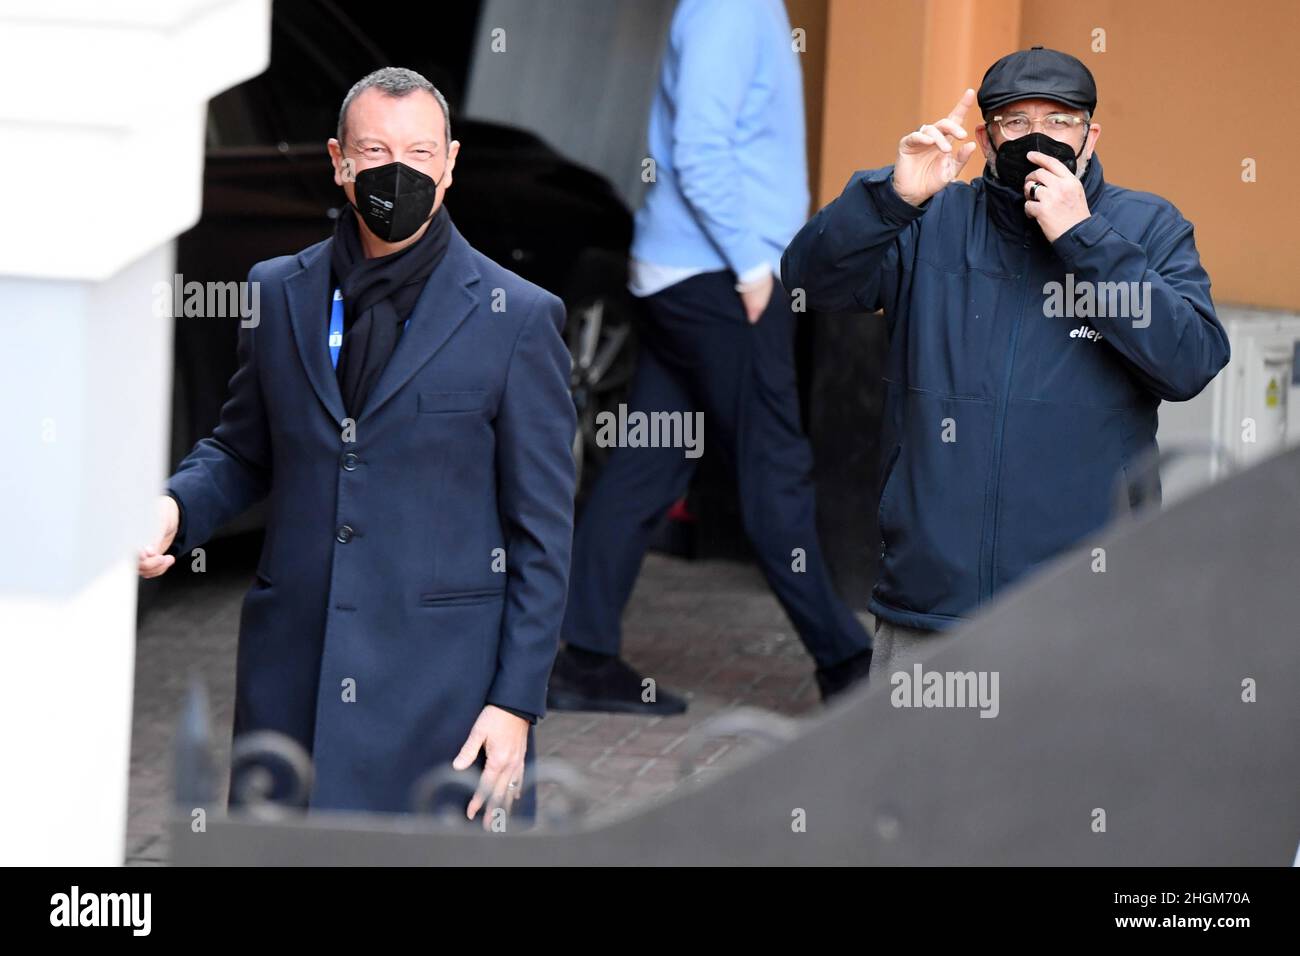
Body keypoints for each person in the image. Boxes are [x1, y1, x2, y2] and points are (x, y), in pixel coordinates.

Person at [138, 67, 576, 824]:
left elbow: (543, 532)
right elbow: (244, 449)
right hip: (295, 673)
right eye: (374, 150)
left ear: (449, 164)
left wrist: (516, 702)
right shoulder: (279, 292)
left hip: (443, 687)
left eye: (418, 151)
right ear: (339, 161)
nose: (396, 170)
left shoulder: (517, 317)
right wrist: (175, 506)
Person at [781, 47, 1228, 676]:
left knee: (1070, 777)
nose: (1037, 136)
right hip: (931, 602)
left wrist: (1084, 239)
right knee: (917, 775)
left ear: (1090, 135)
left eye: (1059, 120)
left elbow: (1191, 363)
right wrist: (888, 199)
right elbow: (809, 285)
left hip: (1085, 606)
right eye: (1015, 122)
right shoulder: (930, 218)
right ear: (988, 139)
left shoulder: (1147, 226)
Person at [549, 0, 874, 715]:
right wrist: (753, 265)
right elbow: (699, 147)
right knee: (774, 470)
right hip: (721, 280)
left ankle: (586, 659)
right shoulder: (732, 6)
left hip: (683, 274)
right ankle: (848, 664)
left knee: (646, 467)